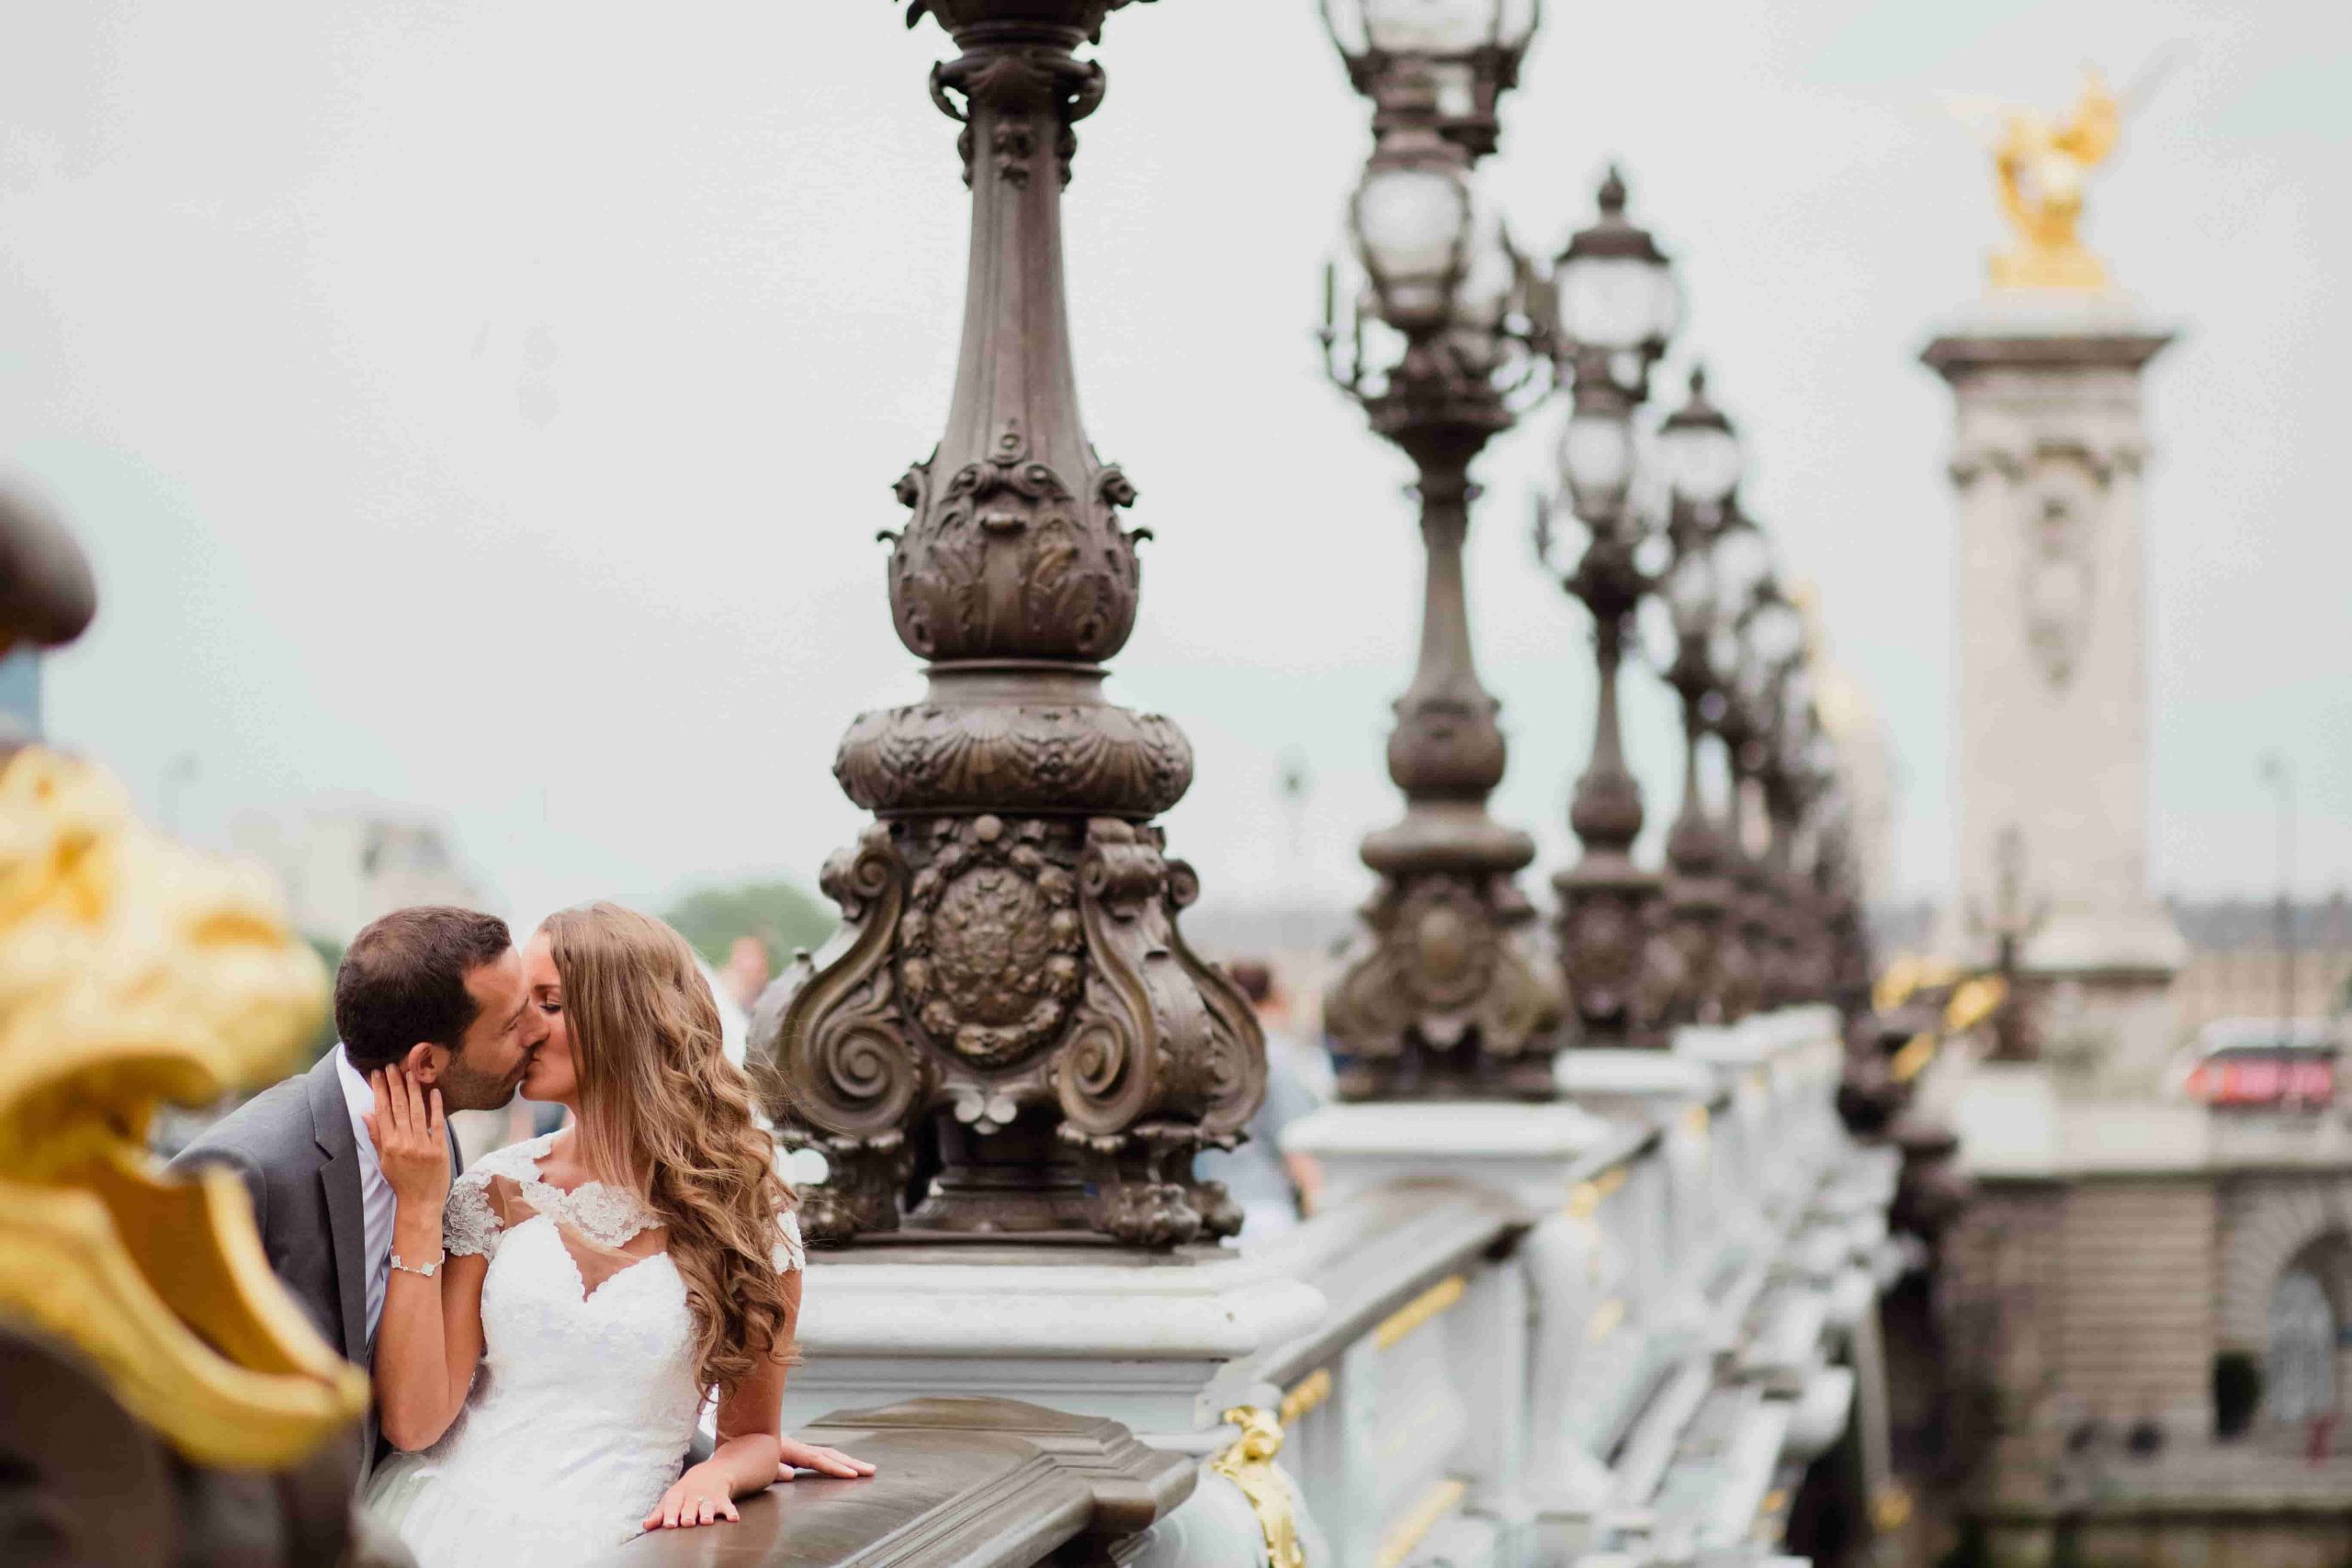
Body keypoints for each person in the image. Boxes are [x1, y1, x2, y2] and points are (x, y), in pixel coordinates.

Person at [360, 902, 866, 1564]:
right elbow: (414, 1422)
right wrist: (420, 1210)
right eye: (522, 1004)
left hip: (626, 1538)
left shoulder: (747, 1213)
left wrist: (717, 1473)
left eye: (549, 1003)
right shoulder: (493, 1190)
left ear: (623, 1018)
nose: (524, 1028)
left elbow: (752, 1435)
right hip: (441, 1525)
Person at [169, 905, 545, 1474]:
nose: (536, 1032)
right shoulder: (241, 1169)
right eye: (511, 1024)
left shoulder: (434, 1131)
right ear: (426, 1063)